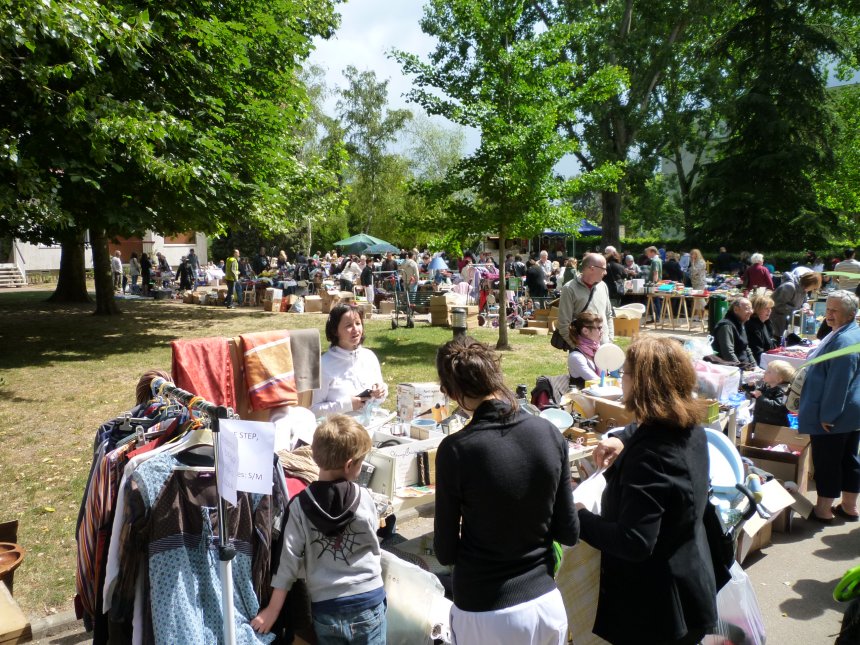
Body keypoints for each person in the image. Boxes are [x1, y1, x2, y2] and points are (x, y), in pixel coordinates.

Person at [434, 336, 579, 644]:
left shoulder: (456, 450)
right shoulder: (548, 432)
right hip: (546, 603)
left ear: (452, 393)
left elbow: (445, 550)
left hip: (486, 609)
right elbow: (568, 531)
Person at [576, 336, 717, 645]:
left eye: (624, 373)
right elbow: (647, 430)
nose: (620, 380)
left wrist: (579, 516)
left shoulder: (650, 456)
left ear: (641, 383)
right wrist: (622, 438)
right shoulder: (689, 428)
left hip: (658, 611)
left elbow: (634, 541)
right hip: (689, 583)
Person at [250, 415, 386, 642]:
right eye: (361, 462)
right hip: (369, 601)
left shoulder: (299, 506)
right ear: (349, 465)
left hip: (326, 607)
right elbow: (373, 538)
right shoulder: (364, 498)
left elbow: (287, 563)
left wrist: (272, 611)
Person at [798, 290, 860, 523]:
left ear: (850, 314)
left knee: (828, 461)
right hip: (851, 412)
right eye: (828, 309)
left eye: (834, 311)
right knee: (849, 459)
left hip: (836, 415)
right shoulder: (851, 332)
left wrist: (828, 415)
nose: (828, 315)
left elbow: (838, 382)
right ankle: (849, 507)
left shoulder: (845, 340)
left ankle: (823, 510)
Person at [312, 304, 387, 417]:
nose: (355, 329)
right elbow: (312, 410)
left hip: (374, 422)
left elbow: (379, 399)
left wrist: (381, 392)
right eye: (348, 325)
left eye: (358, 323)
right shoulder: (323, 365)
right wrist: (346, 405)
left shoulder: (369, 356)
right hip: (340, 426)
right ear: (335, 331)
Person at [557, 252, 614, 344]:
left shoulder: (603, 286)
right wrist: (578, 347)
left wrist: (609, 340)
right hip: (582, 348)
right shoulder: (569, 288)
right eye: (603, 269)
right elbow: (563, 324)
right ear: (592, 268)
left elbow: (608, 315)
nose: (605, 272)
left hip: (604, 347)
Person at [771, 271, 822, 339]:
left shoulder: (803, 289)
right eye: (813, 288)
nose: (812, 290)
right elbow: (778, 305)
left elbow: (805, 301)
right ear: (809, 283)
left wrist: (806, 308)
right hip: (777, 324)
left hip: (789, 324)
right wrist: (798, 311)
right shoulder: (789, 287)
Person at [711, 297, 755, 367]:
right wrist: (741, 368)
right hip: (732, 368)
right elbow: (728, 352)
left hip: (745, 365)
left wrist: (754, 365)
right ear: (736, 310)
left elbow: (746, 348)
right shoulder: (726, 326)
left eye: (751, 308)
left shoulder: (740, 323)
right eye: (747, 309)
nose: (751, 312)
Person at [751, 359, 794, 427]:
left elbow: (777, 407)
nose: (765, 372)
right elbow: (756, 393)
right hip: (761, 421)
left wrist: (760, 397)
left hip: (774, 426)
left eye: (769, 372)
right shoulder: (767, 385)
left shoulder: (783, 391)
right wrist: (750, 387)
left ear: (779, 379)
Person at [567, 312, 603, 388]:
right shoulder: (576, 356)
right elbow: (597, 382)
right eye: (599, 328)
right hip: (582, 395)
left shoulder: (597, 350)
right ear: (585, 331)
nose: (602, 331)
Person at [745, 294, 777, 365]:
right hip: (758, 362)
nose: (769, 311)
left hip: (767, 358)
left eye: (770, 308)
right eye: (766, 308)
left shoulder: (766, 323)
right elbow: (756, 351)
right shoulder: (752, 325)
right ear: (757, 309)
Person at [689, 249, 707, 322]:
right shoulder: (694, 261)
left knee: (700, 298)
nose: (692, 256)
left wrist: (693, 264)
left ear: (697, 254)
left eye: (693, 254)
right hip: (694, 283)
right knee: (696, 299)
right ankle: (697, 316)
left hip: (700, 282)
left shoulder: (701, 262)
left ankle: (707, 312)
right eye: (691, 254)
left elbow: (695, 271)